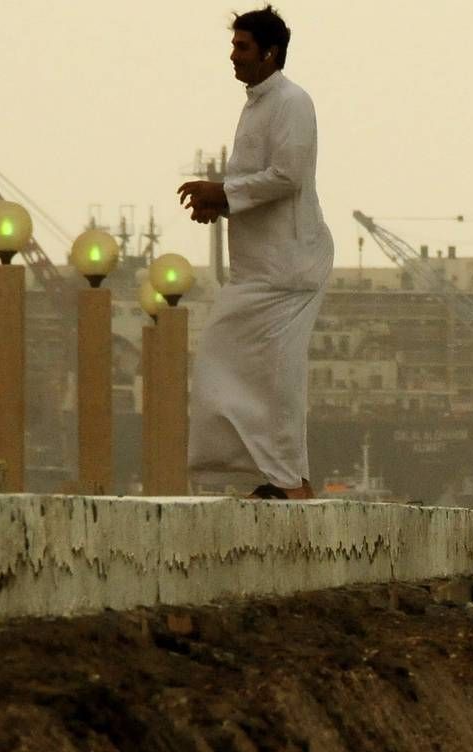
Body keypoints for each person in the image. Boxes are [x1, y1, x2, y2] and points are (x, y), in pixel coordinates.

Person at [177, 6, 331, 499]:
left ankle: (289, 483)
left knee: (277, 378)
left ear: (271, 52)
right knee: (230, 369)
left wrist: (221, 191)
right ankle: (276, 477)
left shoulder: (292, 101)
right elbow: (258, 187)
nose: (233, 56)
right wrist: (218, 205)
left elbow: (288, 176)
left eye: (242, 47)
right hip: (257, 270)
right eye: (234, 45)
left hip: (288, 268)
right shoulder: (257, 105)